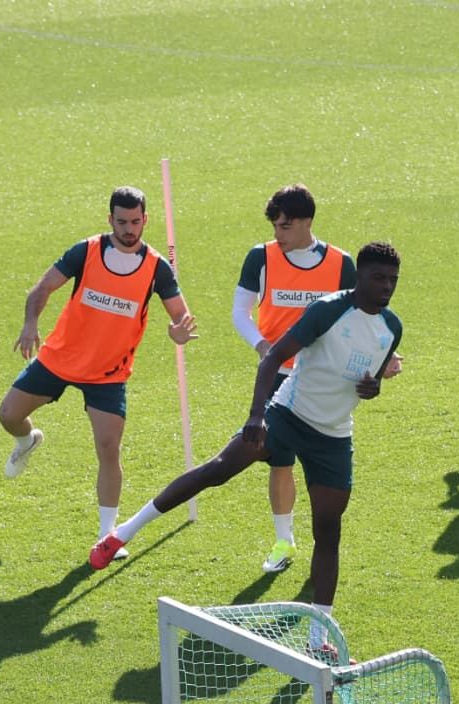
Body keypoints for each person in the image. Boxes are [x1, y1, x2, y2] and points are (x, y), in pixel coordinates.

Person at [90, 243, 405, 655]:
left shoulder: (392, 327)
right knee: (217, 470)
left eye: (392, 280)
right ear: (360, 276)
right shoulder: (328, 310)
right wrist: (257, 416)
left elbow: (371, 380)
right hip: (287, 416)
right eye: (379, 278)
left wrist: (373, 387)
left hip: (333, 436)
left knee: (329, 532)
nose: (386, 287)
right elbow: (273, 357)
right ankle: (121, 533)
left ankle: (317, 638)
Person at [0, 186, 198, 550]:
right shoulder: (86, 251)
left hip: (109, 373)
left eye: (136, 221)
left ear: (145, 220)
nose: (129, 229)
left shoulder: (157, 268)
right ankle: (26, 441)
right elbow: (41, 288)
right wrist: (30, 324)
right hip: (59, 359)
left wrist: (178, 333)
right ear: (110, 220)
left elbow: (180, 316)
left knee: (108, 448)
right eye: (122, 221)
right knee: (8, 415)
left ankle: (108, 535)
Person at [232, 184, 357, 574]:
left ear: (306, 222)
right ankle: (283, 540)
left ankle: (326, 543)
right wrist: (264, 349)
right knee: (278, 461)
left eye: (285, 227)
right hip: (277, 378)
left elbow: (355, 320)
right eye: (274, 226)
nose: (278, 235)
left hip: (324, 381)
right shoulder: (261, 257)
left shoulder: (341, 263)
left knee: (323, 466)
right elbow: (240, 312)